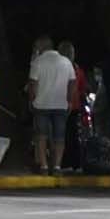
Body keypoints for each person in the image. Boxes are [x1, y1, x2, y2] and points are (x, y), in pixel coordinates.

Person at [28, 36, 75, 172]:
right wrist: (69, 100)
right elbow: (72, 82)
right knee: (59, 137)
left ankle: (43, 165)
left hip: (41, 104)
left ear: (41, 47)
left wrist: (31, 100)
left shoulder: (38, 62)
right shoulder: (66, 62)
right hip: (61, 104)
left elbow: (33, 83)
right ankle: (57, 165)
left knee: (41, 135)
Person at [58, 41, 88, 172]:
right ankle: (76, 163)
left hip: (61, 104)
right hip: (75, 106)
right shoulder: (78, 70)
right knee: (73, 135)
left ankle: (64, 162)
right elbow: (83, 89)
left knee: (61, 135)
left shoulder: (59, 68)